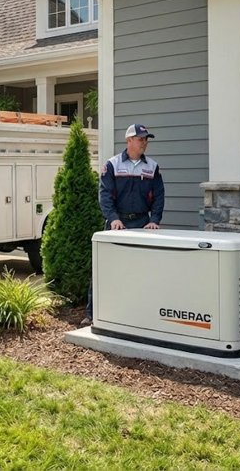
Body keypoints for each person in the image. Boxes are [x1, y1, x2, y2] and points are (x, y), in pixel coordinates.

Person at [81, 123, 165, 326]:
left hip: (144, 224)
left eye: (146, 139)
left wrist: (154, 220)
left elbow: (159, 196)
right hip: (118, 225)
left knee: (143, 271)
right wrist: (113, 219)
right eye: (140, 139)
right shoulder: (112, 165)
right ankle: (92, 314)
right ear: (129, 141)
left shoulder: (152, 167)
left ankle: (140, 315)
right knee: (104, 270)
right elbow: (105, 196)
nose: (144, 143)